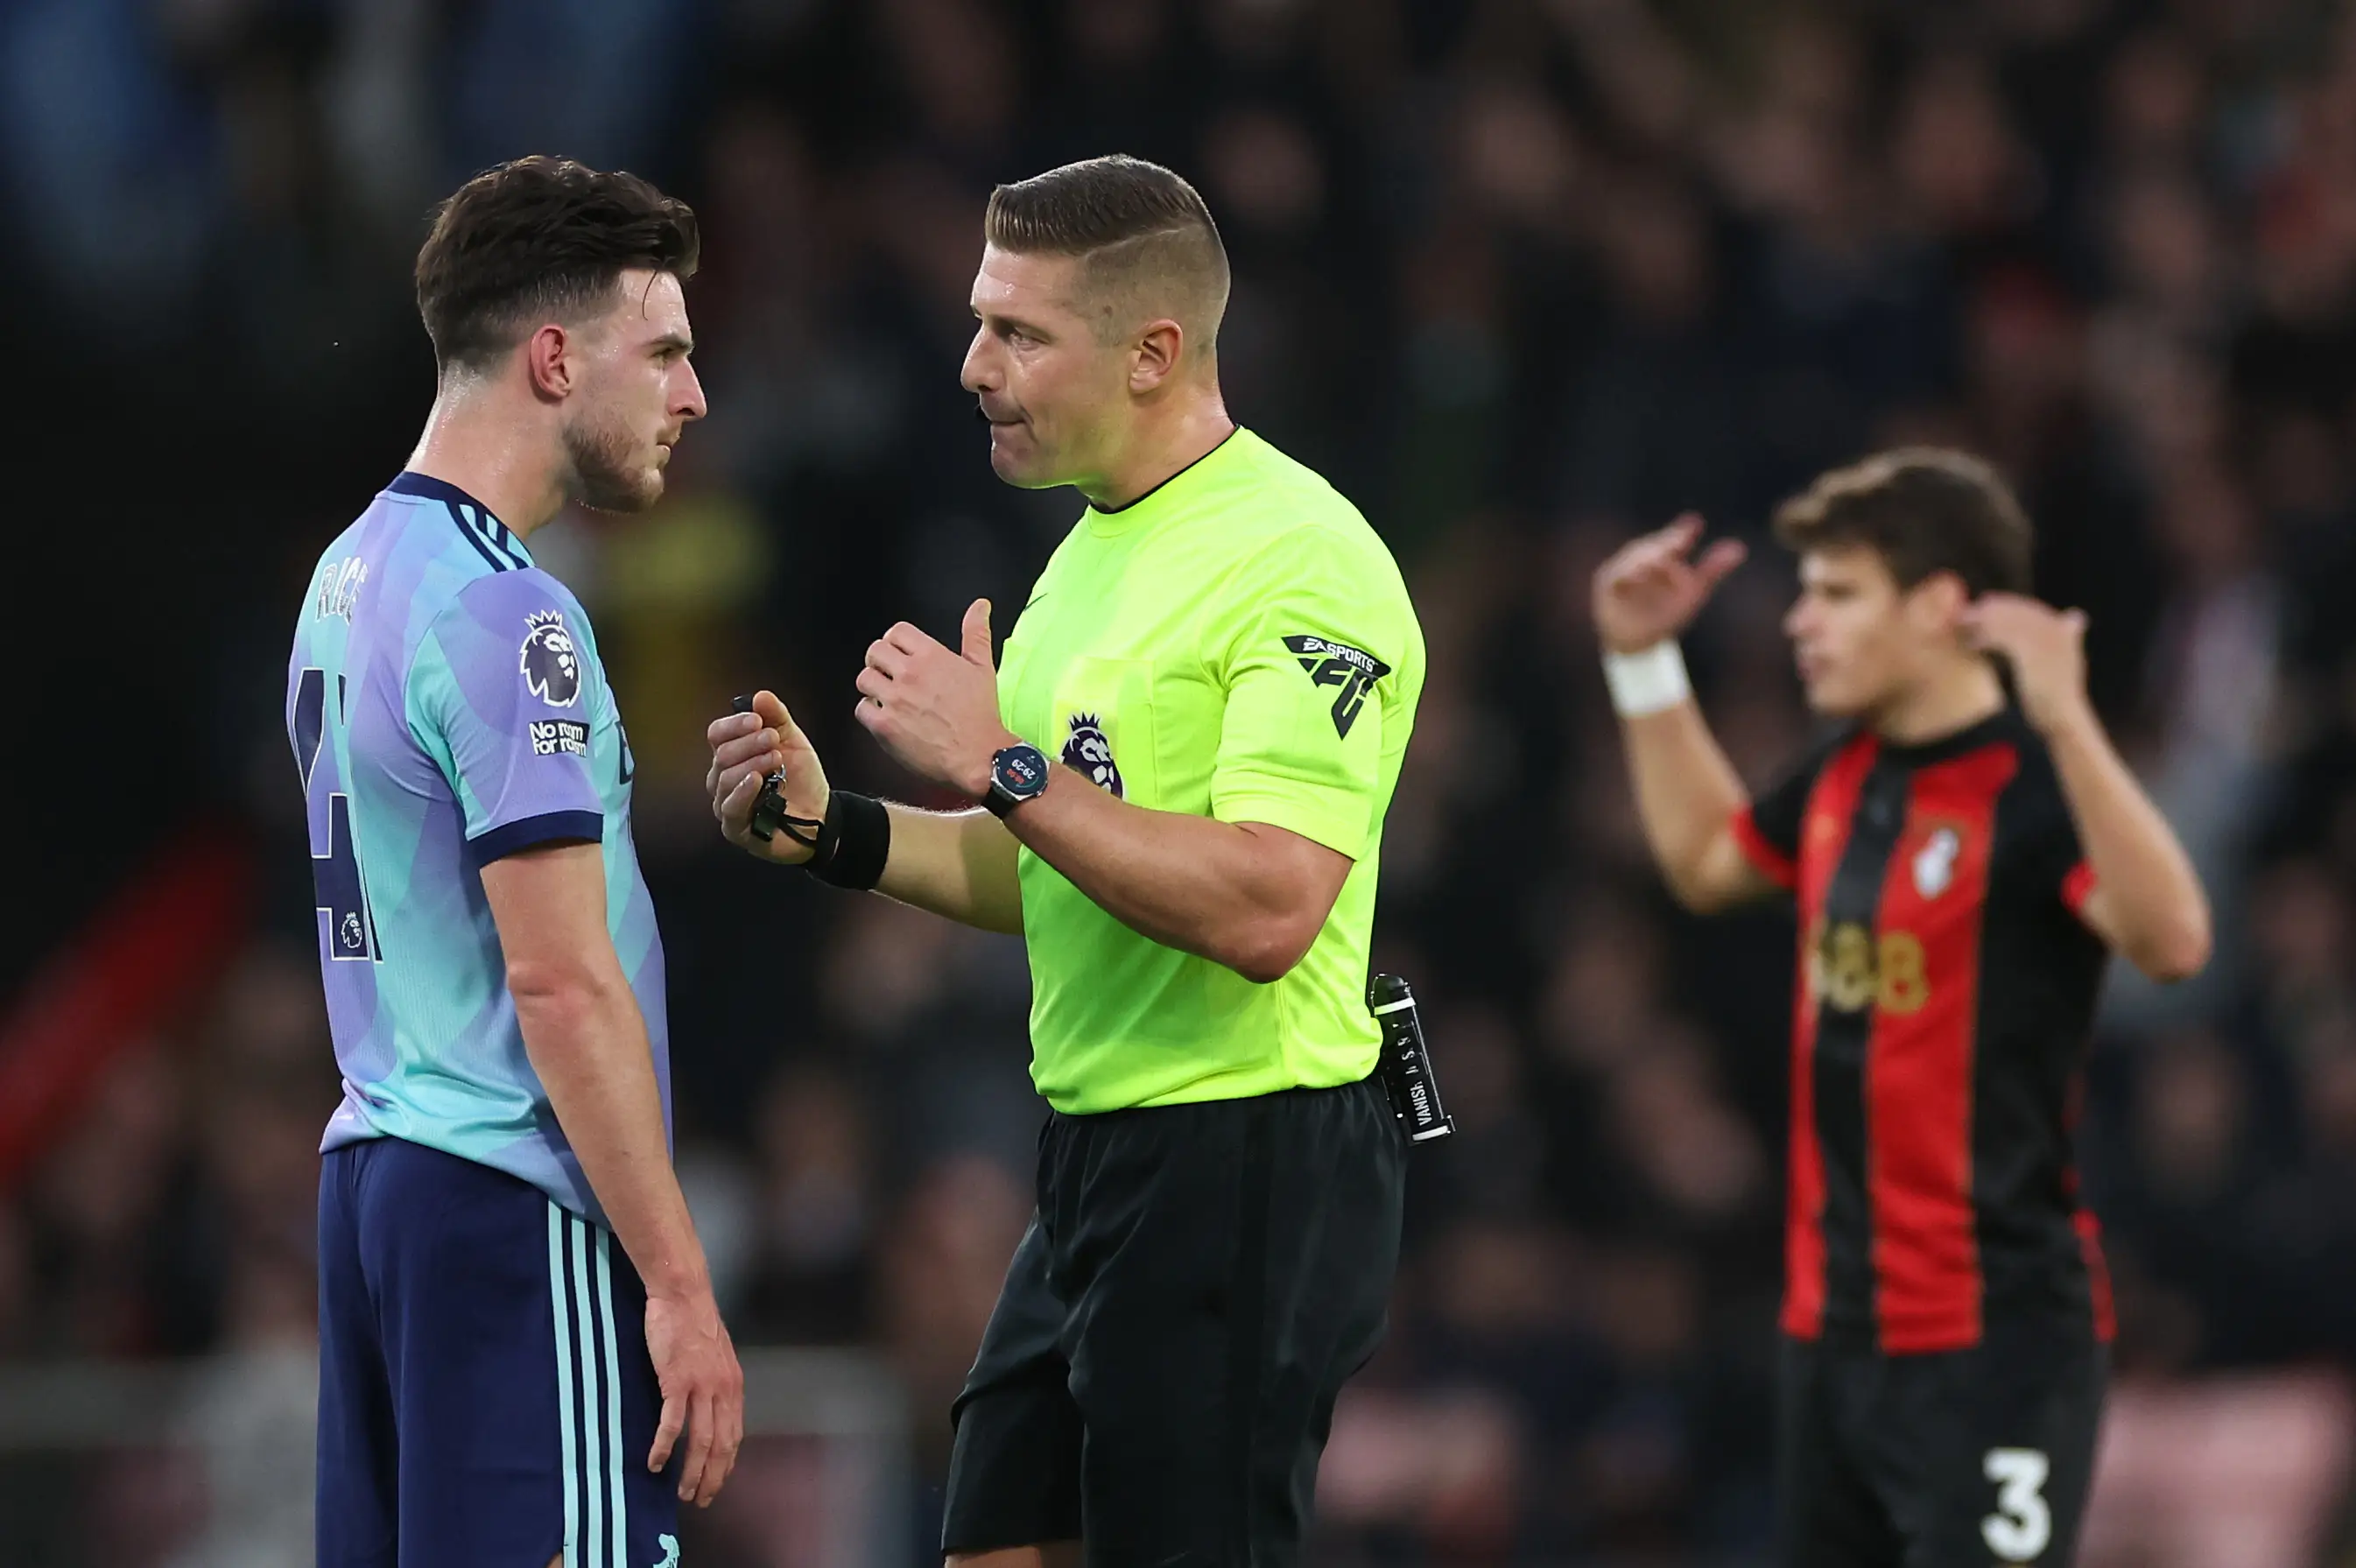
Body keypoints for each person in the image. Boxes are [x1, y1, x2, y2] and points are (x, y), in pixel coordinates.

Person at [705, 155, 1424, 1568]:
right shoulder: (1089, 553)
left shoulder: (1302, 562)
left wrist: (1008, 767)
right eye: (980, 322)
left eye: (1019, 333)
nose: (973, 365)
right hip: (1097, 1152)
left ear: (1154, 351)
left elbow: (1276, 903)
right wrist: (832, 828)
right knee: (992, 1543)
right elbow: (1042, 864)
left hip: (1248, 1147)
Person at [1592, 448, 2212, 1568]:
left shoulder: (2030, 788)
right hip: (1829, 1338)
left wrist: (2068, 717)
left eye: (1836, 594)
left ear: (1938, 608)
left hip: (1996, 1348)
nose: (1799, 624)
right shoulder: (1843, 774)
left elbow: (2173, 942)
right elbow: (1705, 863)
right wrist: (1641, 664)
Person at [289, 155, 740, 1568]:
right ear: (554, 357)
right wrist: (676, 1284)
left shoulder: (350, 570)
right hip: (510, 1201)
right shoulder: (509, 611)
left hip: (380, 1189)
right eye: (662, 350)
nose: (692, 394)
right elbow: (559, 984)